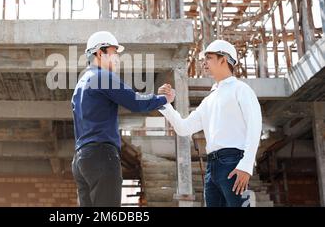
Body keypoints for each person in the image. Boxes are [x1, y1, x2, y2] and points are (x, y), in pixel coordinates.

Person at [71, 31, 174, 207]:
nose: (117, 57)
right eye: (113, 52)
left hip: (81, 160)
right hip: (101, 156)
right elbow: (135, 102)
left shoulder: (81, 83)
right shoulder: (103, 77)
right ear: (99, 53)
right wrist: (164, 99)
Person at [158, 40, 262, 207]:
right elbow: (184, 128)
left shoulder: (241, 90)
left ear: (224, 59)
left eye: (209, 57)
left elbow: (255, 126)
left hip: (234, 162)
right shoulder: (209, 99)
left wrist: (246, 165)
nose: (203, 62)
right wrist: (165, 104)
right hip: (212, 166)